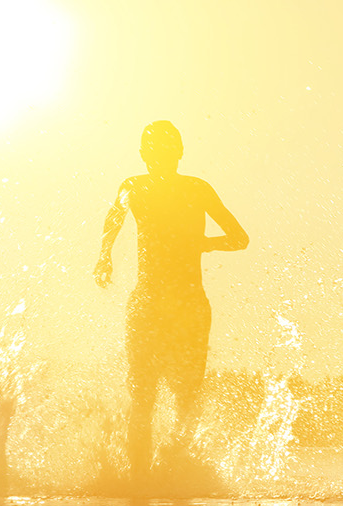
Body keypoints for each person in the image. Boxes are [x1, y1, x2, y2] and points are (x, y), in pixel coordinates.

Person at [95, 120, 249, 483]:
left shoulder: (198, 189)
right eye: (153, 150)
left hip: (189, 304)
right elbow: (113, 220)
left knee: (186, 396)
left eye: (167, 149)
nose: (160, 156)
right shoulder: (132, 187)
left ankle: (178, 476)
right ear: (143, 154)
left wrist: (203, 243)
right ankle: (137, 481)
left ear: (179, 153)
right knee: (142, 396)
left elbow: (240, 238)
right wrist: (104, 255)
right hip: (147, 301)